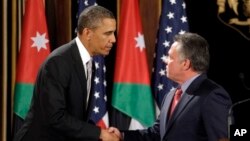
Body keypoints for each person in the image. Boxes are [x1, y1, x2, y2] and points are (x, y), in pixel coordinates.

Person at [13, 5, 119, 141]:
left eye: (113, 33)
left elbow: (75, 114)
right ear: (88, 33)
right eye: (107, 33)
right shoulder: (58, 62)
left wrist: (102, 132)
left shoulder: (89, 62)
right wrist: (99, 133)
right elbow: (55, 117)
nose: (113, 39)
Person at [109, 32, 232, 141]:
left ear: (185, 64)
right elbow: (157, 133)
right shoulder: (171, 95)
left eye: (170, 57)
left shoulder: (212, 94)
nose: (165, 61)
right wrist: (122, 135)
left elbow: (222, 138)